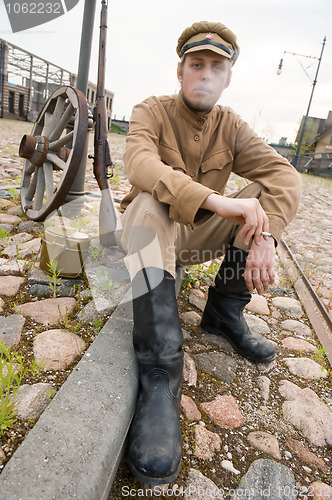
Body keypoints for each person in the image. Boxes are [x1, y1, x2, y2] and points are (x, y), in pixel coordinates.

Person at [117, 21, 302, 485]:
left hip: (196, 239)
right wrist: (219, 201)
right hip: (153, 236)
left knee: (265, 195)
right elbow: (139, 163)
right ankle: (160, 376)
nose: (204, 74)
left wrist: (265, 237)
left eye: (215, 67)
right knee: (145, 201)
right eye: (195, 64)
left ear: (228, 77)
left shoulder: (232, 126)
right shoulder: (152, 110)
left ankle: (224, 314)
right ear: (180, 71)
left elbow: (285, 179)